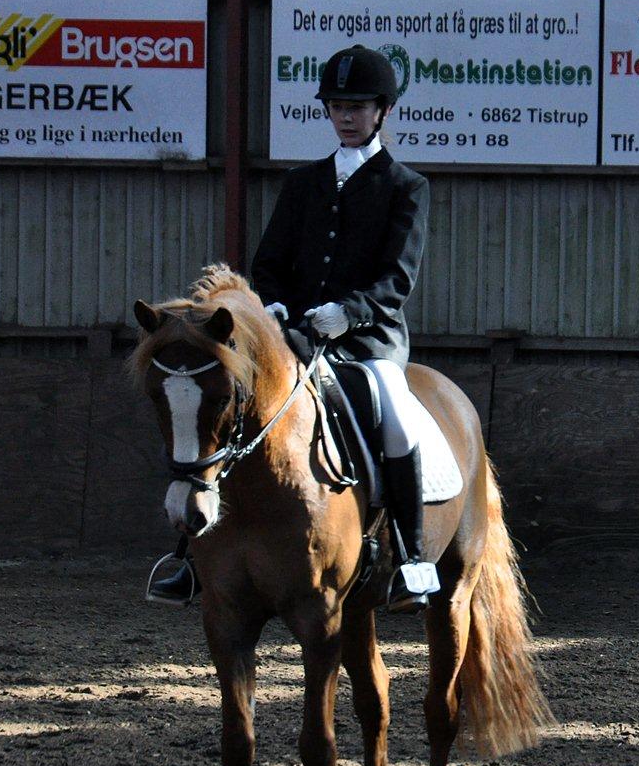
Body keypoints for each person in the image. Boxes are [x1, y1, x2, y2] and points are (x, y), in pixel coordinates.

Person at [149, 44, 439, 611]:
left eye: (357, 106)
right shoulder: (303, 183)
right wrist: (276, 308)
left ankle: (411, 556)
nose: (346, 116)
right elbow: (269, 264)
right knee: (227, 405)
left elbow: (396, 280)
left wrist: (349, 312)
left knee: (396, 415)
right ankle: (188, 558)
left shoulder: (406, 187)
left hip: (368, 338)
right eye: (337, 106)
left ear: (382, 111)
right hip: (294, 336)